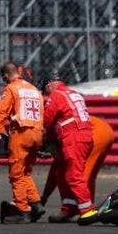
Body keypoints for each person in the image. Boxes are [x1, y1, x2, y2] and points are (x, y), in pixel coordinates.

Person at [0, 61, 45, 224]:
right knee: (25, 172)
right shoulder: (34, 90)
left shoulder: (11, 89)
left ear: (5, 76)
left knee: (16, 174)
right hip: (37, 133)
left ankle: (23, 209)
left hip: (21, 133)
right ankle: (36, 203)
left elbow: (1, 113)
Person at [41, 74, 99, 226]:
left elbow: (47, 120)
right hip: (85, 136)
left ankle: (87, 209)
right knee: (63, 172)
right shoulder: (74, 94)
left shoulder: (56, 95)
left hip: (73, 138)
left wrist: (44, 139)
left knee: (74, 175)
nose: (47, 95)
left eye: (46, 91)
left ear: (49, 85)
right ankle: (68, 208)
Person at [41, 115, 114, 223]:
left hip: (96, 132)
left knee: (79, 175)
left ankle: (82, 211)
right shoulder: (55, 133)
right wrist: (44, 197)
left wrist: (43, 198)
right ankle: (76, 209)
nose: (49, 153)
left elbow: (57, 171)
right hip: (104, 131)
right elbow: (54, 172)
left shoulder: (57, 134)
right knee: (86, 175)